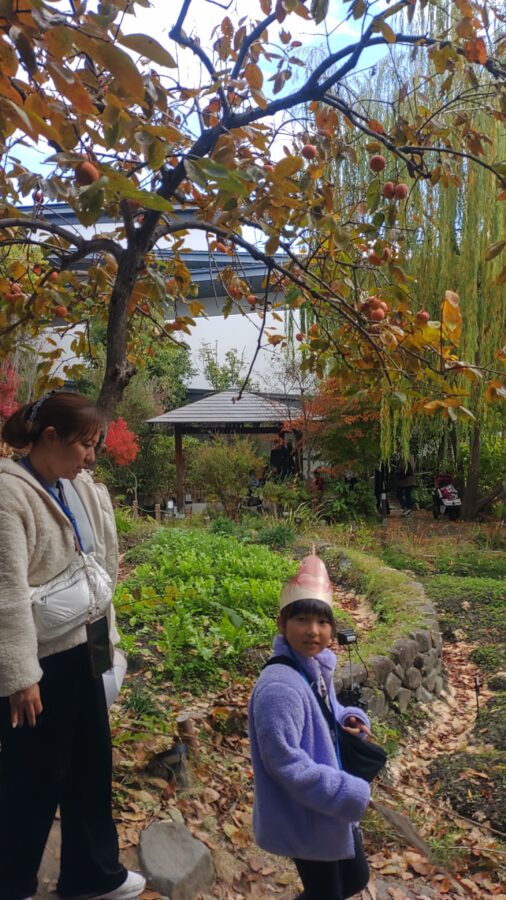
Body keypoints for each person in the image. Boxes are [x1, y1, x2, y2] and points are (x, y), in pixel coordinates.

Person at [0, 391, 146, 900]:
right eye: (83, 444)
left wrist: (109, 649)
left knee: (90, 765)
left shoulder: (77, 486)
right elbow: (7, 595)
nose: (90, 456)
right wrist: (20, 677)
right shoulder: (9, 494)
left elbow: (99, 566)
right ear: (48, 437)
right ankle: (11, 883)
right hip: (42, 665)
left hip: (87, 645)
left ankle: (91, 874)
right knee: (33, 778)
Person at [248, 550, 372, 900]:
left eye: (322, 622)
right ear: (282, 624)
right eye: (301, 619)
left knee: (354, 878)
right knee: (328, 893)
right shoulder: (279, 687)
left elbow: (325, 710)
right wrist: (348, 793)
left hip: (325, 808)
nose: (313, 631)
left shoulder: (313, 667)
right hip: (306, 813)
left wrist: (349, 717)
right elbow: (285, 763)